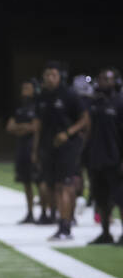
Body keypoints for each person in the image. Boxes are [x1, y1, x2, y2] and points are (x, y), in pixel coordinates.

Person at [33, 62, 89, 241]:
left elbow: (85, 118)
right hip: (48, 149)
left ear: (60, 77)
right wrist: (35, 149)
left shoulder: (69, 95)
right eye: (47, 75)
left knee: (64, 186)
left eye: (53, 75)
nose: (49, 78)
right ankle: (66, 219)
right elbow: (38, 125)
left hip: (67, 148)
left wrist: (67, 133)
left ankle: (65, 227)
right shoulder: (42, 96)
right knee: (55, 187)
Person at [84, 67, 123, 244]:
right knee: (101, 198)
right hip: (96, 159)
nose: (103, 82)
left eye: (107, 79)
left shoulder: (120, 102)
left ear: (115, 81)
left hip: (115, 159)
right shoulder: (94, 103)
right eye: (100, 79)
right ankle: (105, 233)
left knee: (120, 198)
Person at [5, 79, 39, 223]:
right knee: (26, 182)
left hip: (34, 147)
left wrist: (21, 128)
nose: (24, 90)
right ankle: (30, 212)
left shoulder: (37, 106)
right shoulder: (19, 107)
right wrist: (25, 127)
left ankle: (47, 212)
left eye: (27, 87)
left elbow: (36, 128)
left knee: (41, 182)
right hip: (22, 147)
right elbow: (9, 127)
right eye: (23, 87)